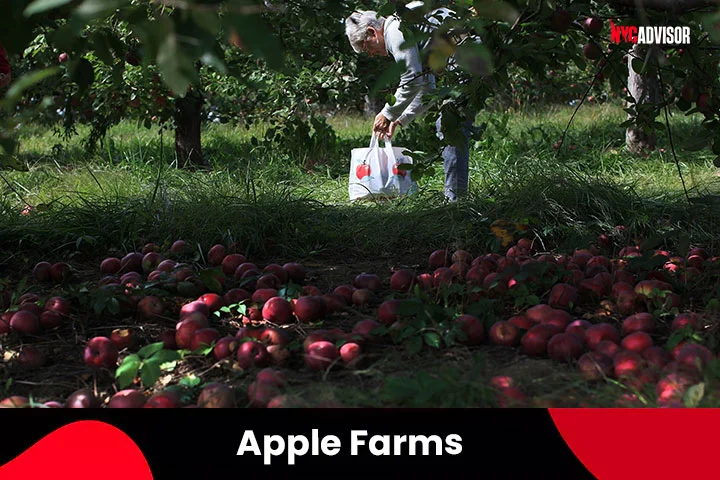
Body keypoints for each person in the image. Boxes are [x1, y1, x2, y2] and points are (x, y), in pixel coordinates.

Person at [345, 4, 477, 202]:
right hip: (470, 52)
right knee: (451, 125)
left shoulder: (395, 31)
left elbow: (411, 80)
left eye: (366, 47)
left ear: (373, 32)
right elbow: (427, 89)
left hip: (469, 52)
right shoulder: (405, 29)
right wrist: (398, 120)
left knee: (451, 126)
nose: (371, 54)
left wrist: (387, 114)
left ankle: (456, 202)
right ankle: (456, 198)